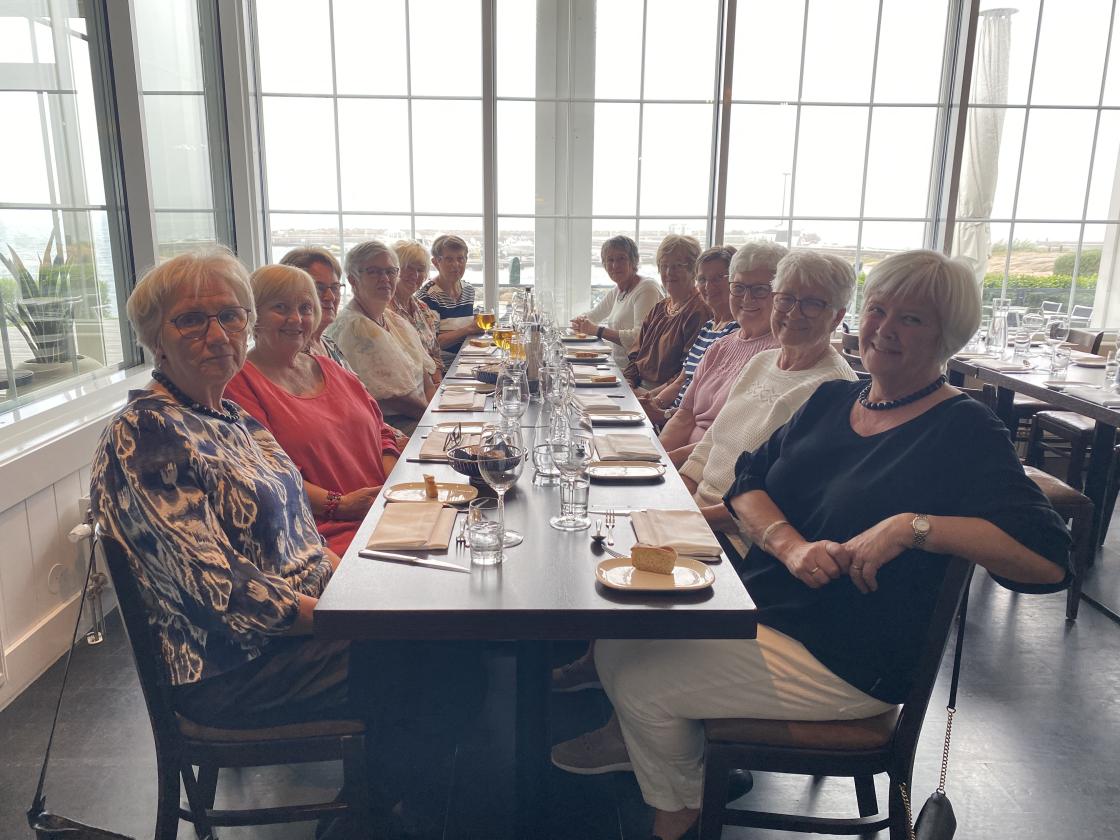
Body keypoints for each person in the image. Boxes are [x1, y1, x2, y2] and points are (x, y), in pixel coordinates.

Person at [557, 249, 1071, 840]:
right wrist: (790, 545)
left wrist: (913, 527)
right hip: (772, 610)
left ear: (948, 335)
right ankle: (689, 781)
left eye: (912, 319)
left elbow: (1048, 559)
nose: (885, 329)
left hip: (847, 654)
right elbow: (749, 482)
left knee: (641, 682)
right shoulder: (834, 400)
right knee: (619, 646)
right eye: (879, 310)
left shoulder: (964, 429)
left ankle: (679, 809)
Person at [89, 249, 482, 833]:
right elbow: (221, 592)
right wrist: (348, 616)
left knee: (447, 626)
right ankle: (378, 814)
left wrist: (354, 582)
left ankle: (391, 794)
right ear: (155, 338)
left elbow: (300, 529)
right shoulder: (149, 433)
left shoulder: (229, 417)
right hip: (237, 665)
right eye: (191, 320)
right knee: (444, 654)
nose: (217, 334)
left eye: (230, 316)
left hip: (299, 625)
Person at [224, 263, 400, 557]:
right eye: (280, 307)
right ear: (253, 315)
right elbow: (267, 476)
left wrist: (392, 488)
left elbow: (382, 432)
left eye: (305, 308)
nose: (296, 319)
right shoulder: (239, 384)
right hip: (326, 534)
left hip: (388, 512)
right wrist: (340, 505)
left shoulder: (331, 368)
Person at [658, 243, 785, 455]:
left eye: (760, 290)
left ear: (781, 294)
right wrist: (654, 458)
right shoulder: (720, 346)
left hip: (713, 466)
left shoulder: (780, 355)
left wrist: (668, 464)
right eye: (739, 288)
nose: (747, 298)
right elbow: (684, 416)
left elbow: (733, 441)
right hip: (679, 462)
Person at [326, 240, 438, 431]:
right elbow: (394, 398)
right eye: (374, 272)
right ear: (353, 280)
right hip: (393, 425)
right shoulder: (354, 327)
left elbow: (424, 375)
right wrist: (433, 419)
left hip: (422, 414)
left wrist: (436, 410)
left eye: (390, 271)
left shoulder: (394, 320)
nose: (385, 278)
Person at [639, 245, 744, 423]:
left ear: (735, 282)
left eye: (718, 278)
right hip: (672, 417)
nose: (708, 286)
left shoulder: (735, 332)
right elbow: (681, 381)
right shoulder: (708, 327)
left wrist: (663, 415)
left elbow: (710, 403)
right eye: (702, 279)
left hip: (686, 424)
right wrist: (653, 403)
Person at [623, 235, 710, 389]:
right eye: (664, 266)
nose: (669, 272)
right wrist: (628, 383)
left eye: (677, 266)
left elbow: (687, 373)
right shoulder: (659, 308)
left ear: (693, 270)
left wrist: (650, 396)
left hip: (665, 396)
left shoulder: (699, 311)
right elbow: (636, 356)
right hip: (639, 390)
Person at [571, 235, 665, 370]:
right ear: (604, 265)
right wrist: (579, 321)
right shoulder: (618, 291)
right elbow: (593, 315)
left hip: (637, 373)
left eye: (621, 258)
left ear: (633, 261)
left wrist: (598, 330)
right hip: (617, 367)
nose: (615, 265)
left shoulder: (647, 288)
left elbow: (640, 337)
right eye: (610, 260)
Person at [278, 246, 350, 369]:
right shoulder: (291, 354)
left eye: (335, 287)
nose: (330, 297)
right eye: (319, 288)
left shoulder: (328, 343)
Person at [416, 234, 482, 365]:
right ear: (436, 262)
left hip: (468, 360)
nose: (456, 265)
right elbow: (432, 343)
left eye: (460, 259)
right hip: (443, 367)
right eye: (449, 259)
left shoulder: (468, 290)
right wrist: (469, 329)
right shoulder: (428, 296)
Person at [391, 239, 443, 374]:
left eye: (420, 269)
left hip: (433, 382)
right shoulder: (384, 311)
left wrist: (438, 382)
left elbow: (435, 354)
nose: (415, 275)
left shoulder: (423, 308)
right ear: (393, 270)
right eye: (408, 267)